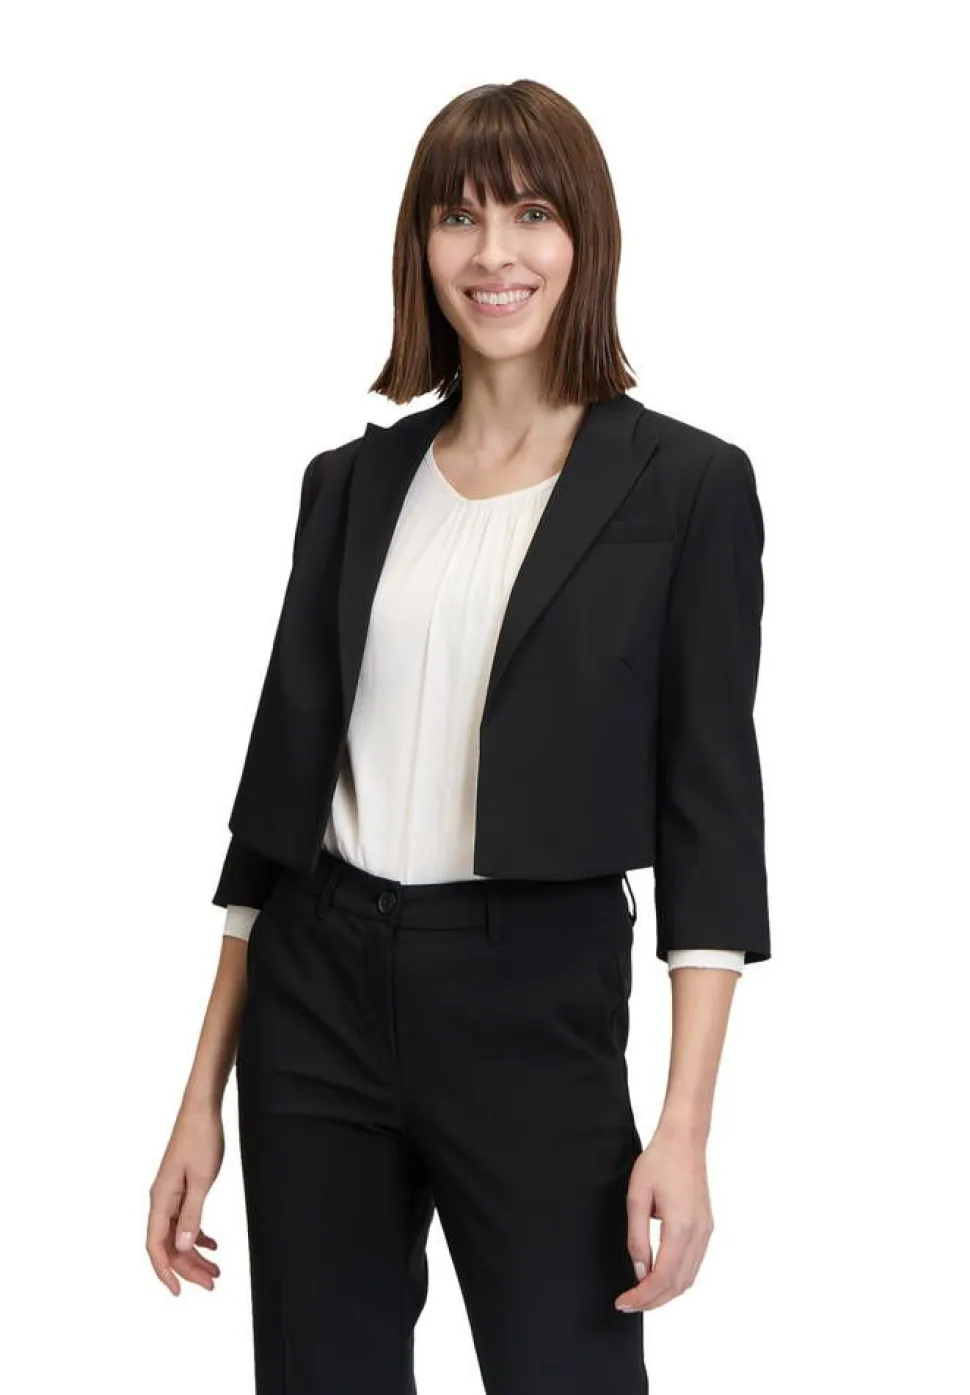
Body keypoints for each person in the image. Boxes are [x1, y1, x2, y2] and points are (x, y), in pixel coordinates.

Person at [146, 78, 770, 1394]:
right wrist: (201, 1094)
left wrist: (684, 1124)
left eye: (531, 214)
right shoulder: (349, 485)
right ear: (419, 246)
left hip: (532, 992)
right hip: (315, 994)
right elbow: (275, 806)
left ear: (585, 238)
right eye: (458, 217)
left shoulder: (686, 487)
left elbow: (712, 818)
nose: (494, 254)